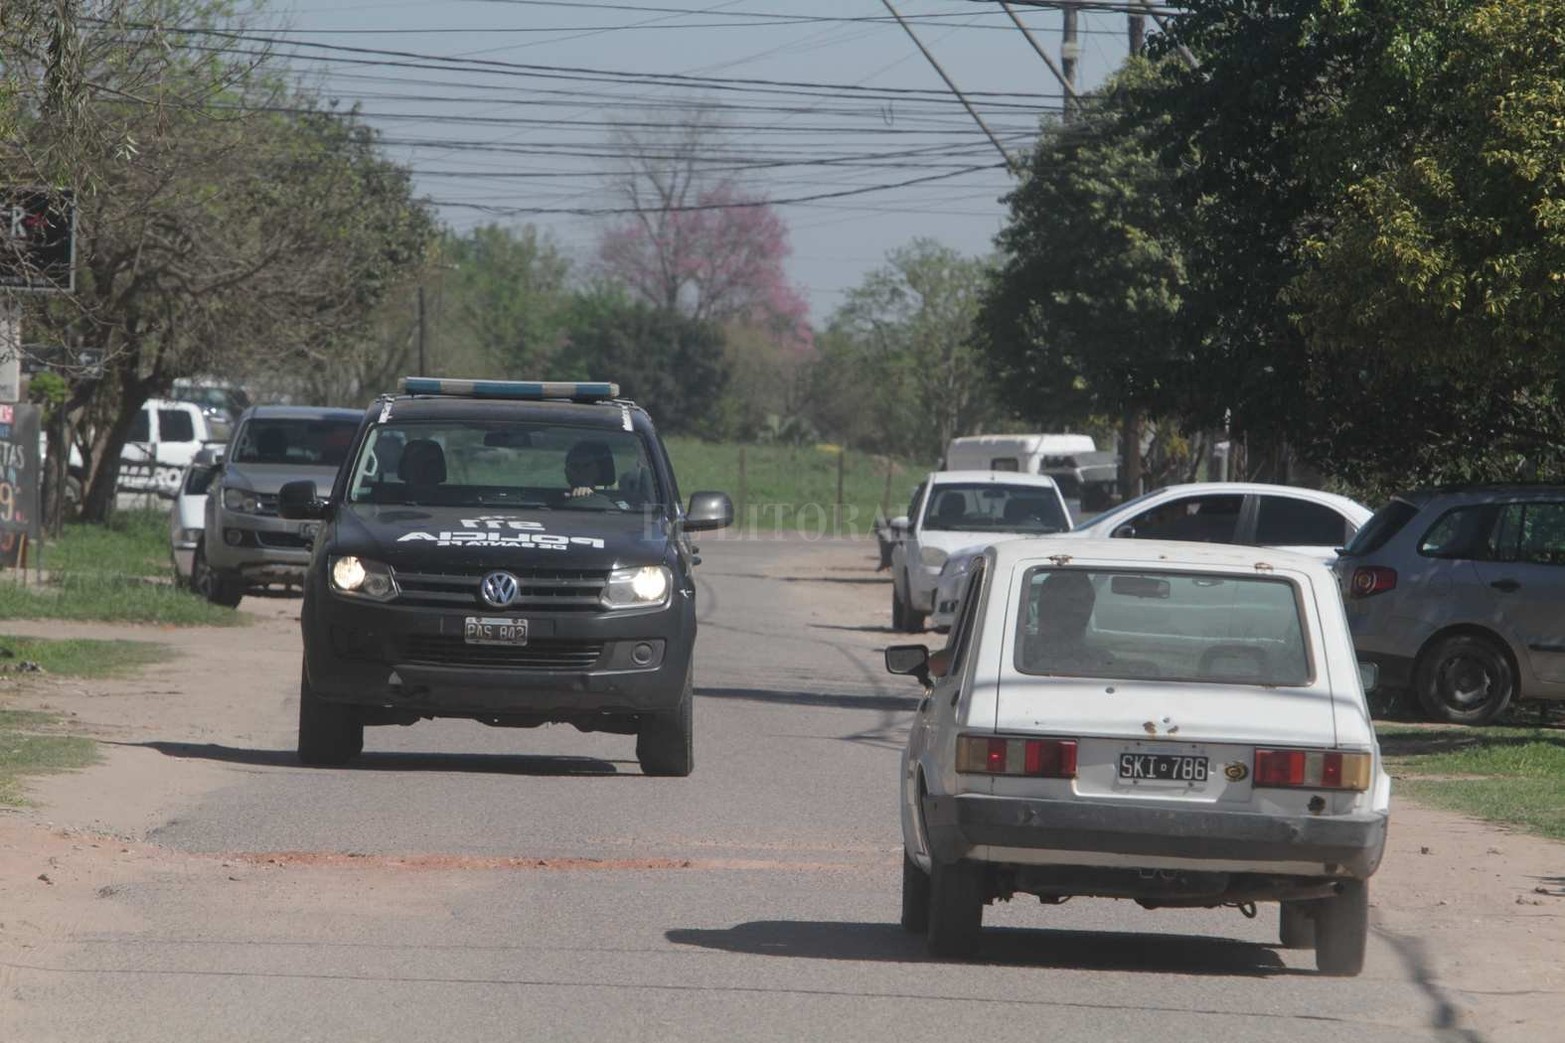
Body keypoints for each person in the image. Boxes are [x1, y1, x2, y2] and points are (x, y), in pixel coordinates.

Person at [1021, 570, 1113, 674]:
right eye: (1074, 603)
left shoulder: (1017, 654)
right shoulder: (1100, 663)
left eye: (1083, 603)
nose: (1081, 610)